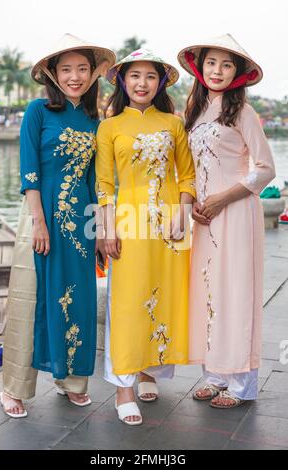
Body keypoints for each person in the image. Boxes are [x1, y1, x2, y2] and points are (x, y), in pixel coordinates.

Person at [0, 34, 115, 418]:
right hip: (39, 216)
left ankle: (72, 382)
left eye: (82, 69)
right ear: (52, 73)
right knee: (30, 300)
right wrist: (38, 223)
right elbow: (29, 172)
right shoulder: (37, 111)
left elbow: (94, 181)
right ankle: (14, 388)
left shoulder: (93, 120)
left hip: (79, 224)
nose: (75, 76)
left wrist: (98, 231)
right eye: (66, 69)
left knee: (77, 299)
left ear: (92, 74)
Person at [96, 49, 196, 425]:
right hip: (129, 221)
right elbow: (104, 183)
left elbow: (186, 175)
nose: (142, 83)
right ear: (124, 81)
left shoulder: (174, 123)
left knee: (165, 295)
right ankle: (123, 387)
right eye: (135, 76)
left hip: (170, 225)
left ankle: (148, 369)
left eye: (150, 77)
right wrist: (106, 229)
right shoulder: (110, 127)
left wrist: (183, 214)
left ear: (161, 82)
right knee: (126, 301)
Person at [177, 34, 276, 408]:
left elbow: (265, 170)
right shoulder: (197, 110)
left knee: (235, 292)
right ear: (200, 67)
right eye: (212, 63)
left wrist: (221, 198)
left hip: (234, 214)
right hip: (204, 219)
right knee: (207, 291)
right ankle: (215, 374)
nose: (217, 71)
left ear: (238, 72)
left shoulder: (243, 112)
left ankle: (241, 385)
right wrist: (196, 203)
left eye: (227, 64)